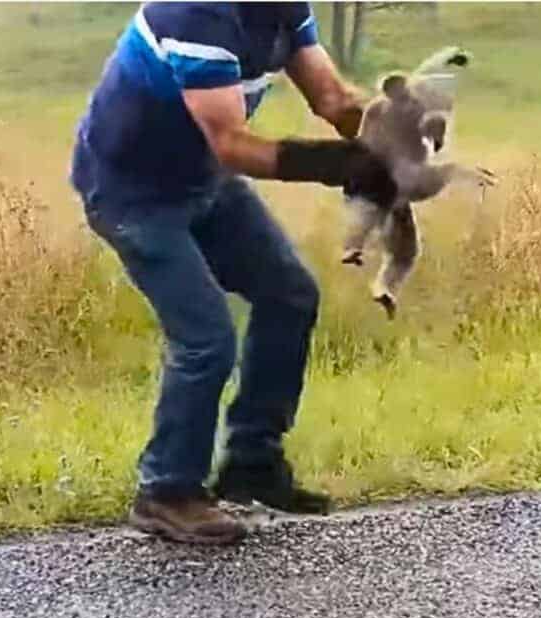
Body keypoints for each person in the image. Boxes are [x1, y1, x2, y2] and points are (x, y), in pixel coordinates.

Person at [69, 2, 395, 545]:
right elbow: (233, 145)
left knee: (289, 295)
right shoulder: (196, 18)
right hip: (132, 194)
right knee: (206, 340)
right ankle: (167, 491)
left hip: (203, 182)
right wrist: (339, 164)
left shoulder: (283, 8)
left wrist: (396, 147)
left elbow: (334, 100)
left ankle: (252, 462)